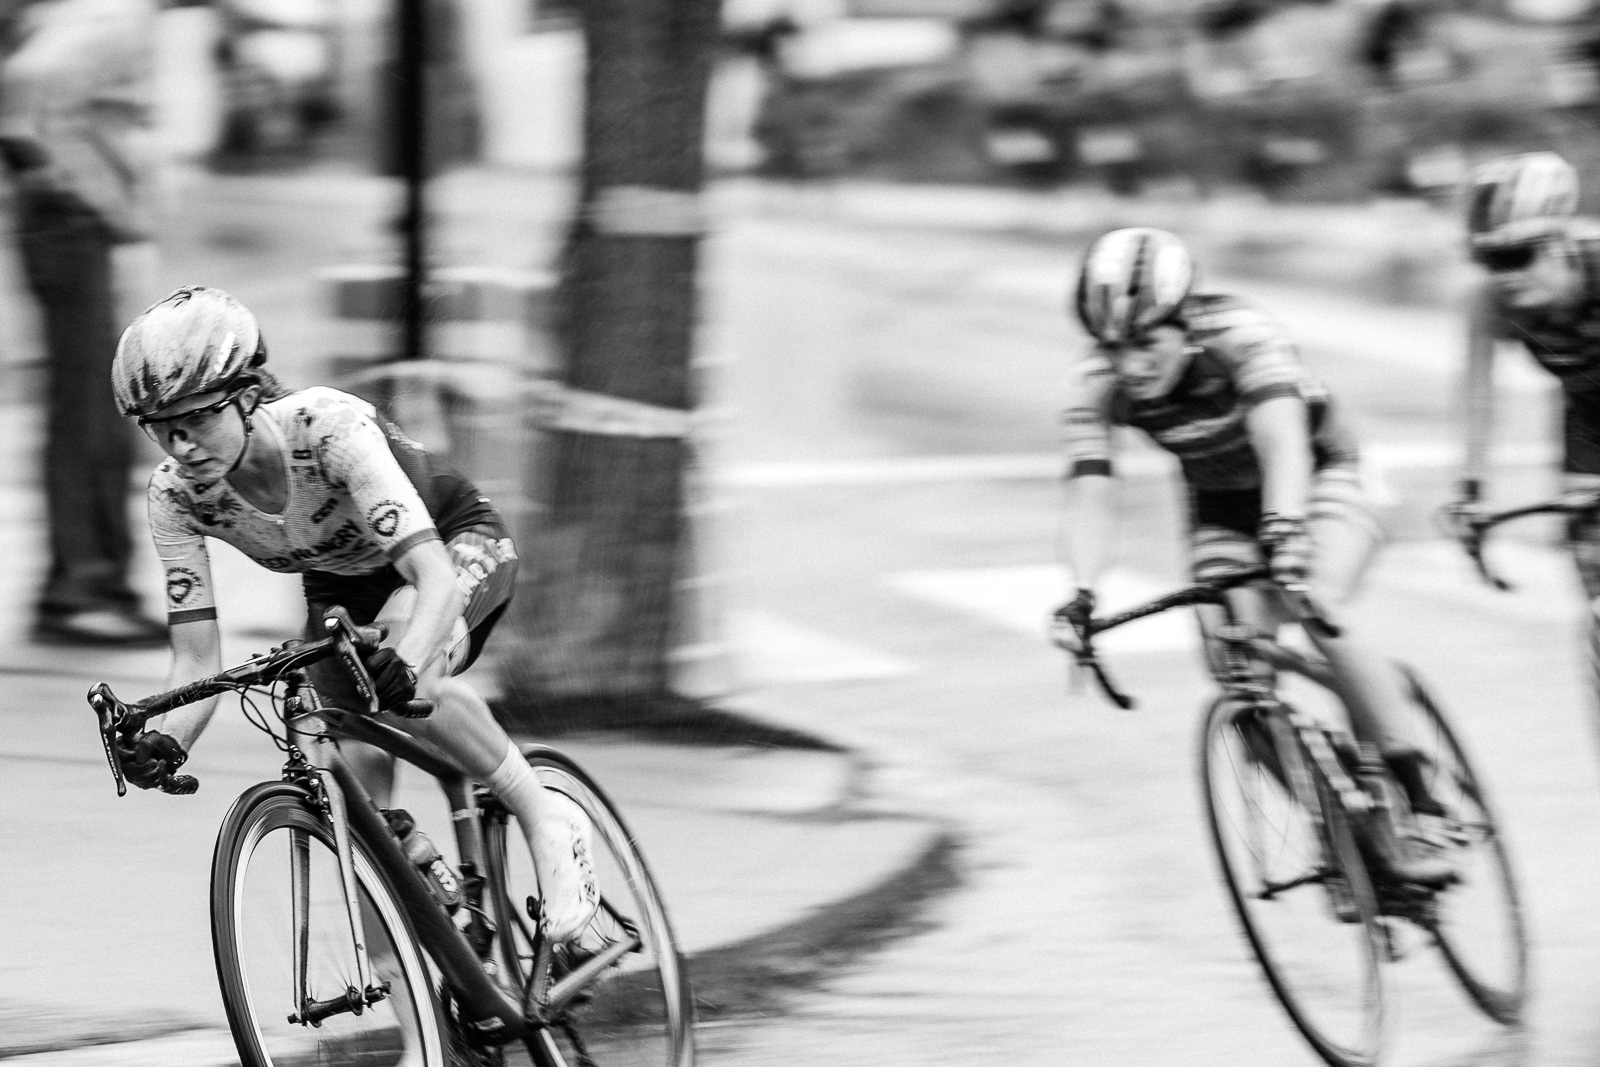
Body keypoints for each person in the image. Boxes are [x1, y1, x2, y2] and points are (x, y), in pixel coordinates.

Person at [106, 286, 599, 944]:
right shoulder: (175, 496)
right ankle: (405, 997)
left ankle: (545, 815)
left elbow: (433, 579)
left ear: (247, 394)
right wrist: (168, 742)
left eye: (195, 418)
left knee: (410, 681)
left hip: (449, 546)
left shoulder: (326, 429)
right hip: (340, 587)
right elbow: (197, 659)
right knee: (356, 804)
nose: (180, 444)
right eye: (159, 426)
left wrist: (409, 662)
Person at [1056, 226, 1454, 885]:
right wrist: (1081, 593)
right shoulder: (1095, 383)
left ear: (1185, 323)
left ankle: (1421, 801)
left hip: (1321, 471)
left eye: (1146, 342)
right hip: (1221, 503)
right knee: (1233, 665)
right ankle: (1341, 831)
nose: (1130, 365)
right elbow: (1091, 491)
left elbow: (1283, 444)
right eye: (1113, 347)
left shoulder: (1241, 335)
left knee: (1314, 601)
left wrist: (1287, 529)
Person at [0, 0, 166, 645]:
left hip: (74, 222)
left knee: (98, 411)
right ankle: (81, 590)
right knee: (91, 413)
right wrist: (104, 202)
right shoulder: (110, 14)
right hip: (75, 226)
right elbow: (28, 88)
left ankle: (92, 585)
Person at [1452, 152, 1600, 665]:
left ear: (1560, 242)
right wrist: (1472, 493)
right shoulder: (1490, 302)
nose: (1505, 276)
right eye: (1490, 261)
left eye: (1518, 256)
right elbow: (1477, 397)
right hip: (1589, 427)